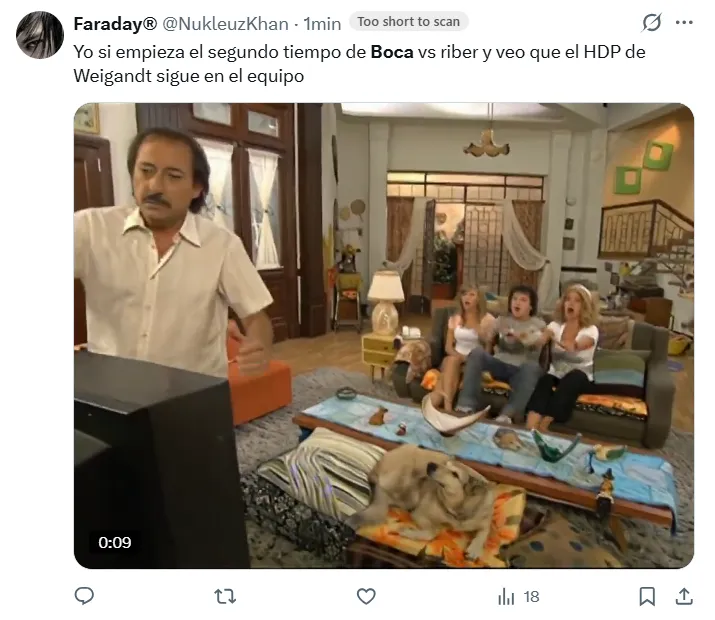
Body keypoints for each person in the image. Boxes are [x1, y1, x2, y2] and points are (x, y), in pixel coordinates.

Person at [74, 127, 274, 378]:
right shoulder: (90, 228)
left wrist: (259, 345)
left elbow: (256, 317)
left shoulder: (222, 245)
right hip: (110, 389)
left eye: (173, 176)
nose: (155, 186)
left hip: (194, 391)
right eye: (146, 171)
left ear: (196, 188)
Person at [455, 285, 545, 423]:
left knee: (533, 367)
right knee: (477, 352)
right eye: (514, 299)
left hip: (521, 369)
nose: (517, 303)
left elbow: (537, 342)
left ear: (531, 306)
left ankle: (506, 416)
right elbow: (486, 338)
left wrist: (519, 336)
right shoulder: (502, 320)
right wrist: (483, 329)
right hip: (499, 364)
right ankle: (465, 407)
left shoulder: (538, 324)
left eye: (523, 300)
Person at [525, 284, 600, 431]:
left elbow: (581, 344)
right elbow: (541, 339)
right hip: (557, 373)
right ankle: (529, 427)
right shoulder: (555, 326)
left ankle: (544, 426)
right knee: (545, 381)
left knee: (573, 379)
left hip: (581, 375)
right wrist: (533, 338)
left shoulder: (591, 330)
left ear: (584, 307)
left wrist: (572, 345)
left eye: (577, 301)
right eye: (568, 299)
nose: (571, 303)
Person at [430, 284, 495, 413]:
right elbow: (448, 347)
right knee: (451, 360)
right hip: (455, 357)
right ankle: (448, 408)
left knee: (441, 384)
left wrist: (481, 333)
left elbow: (488, 351)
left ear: (479, 299)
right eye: (464, 294)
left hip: (474, 362)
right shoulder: (455, 319)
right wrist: (459, 357)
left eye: (472, 294)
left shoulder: (488, 320)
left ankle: (439, 404)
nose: (467, 297)